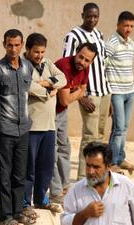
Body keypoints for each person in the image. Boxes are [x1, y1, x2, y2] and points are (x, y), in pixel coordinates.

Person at [0, 29, 34, 225]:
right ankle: (5, 217)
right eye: (9, 45)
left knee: (19, 174)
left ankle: (17, 212)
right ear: (4, 44)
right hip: (4, 130)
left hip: (23, 129)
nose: (13, 49)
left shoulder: (28, 67)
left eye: (17, 45)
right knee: (4, 175)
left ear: (22, 45)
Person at [62, 2, 111, 180]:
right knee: (89, 136)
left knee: (99, 136)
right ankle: (83, 177)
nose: (92, 19)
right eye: (89, 16)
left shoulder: (99, 34)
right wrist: (80, 95)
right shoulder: (73, 36)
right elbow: (68, 65)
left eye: (95, 16)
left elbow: (103, 64)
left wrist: (109, 96)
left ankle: (97, 172)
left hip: (104, 91)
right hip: (88, 92)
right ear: (82, 15)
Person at [22, 33, 66, 216]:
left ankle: (41, 200)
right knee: (29, 168)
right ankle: (25, 203)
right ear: (28, 50)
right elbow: (28, 86)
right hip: (32, 126)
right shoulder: (22, 66)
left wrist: (47, 82)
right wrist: (49, 90)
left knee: (46, 166)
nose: (39, 55)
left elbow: (63, 79)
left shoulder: (48, 63)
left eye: (42, 51)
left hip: (49, 126)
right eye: (36, 52)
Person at [50, 43, 98, 204]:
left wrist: (76, 92)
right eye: (81, 57)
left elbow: (82, 89)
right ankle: (55, 192)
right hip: (49, 112)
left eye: (87, 60)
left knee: (64, 147)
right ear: (76, 53)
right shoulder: (64, 66)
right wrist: (77, 93)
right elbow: (65, 99)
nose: (82, 62)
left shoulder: (85, 68)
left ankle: (65, 187)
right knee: (51, 151)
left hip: (61, 112)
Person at [61, 141, 134, 225]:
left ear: (109, 166)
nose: (90, 172)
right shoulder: (76, 190)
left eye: (96, 167)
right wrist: (84, 214)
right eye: (88, 165)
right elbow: (64, 222)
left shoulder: (126, 186)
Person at [105, 11, 134, 174]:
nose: (128, 29)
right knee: (118, 128)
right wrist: (108, 95)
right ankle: (111, 163)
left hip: (130, 91)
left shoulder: (131, 43)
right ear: (118, 25)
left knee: (123, 127)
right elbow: (102, 67)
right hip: (116, 92)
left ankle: (119, 158)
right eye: (126, 25)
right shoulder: (111, 43)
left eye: (131, 26)